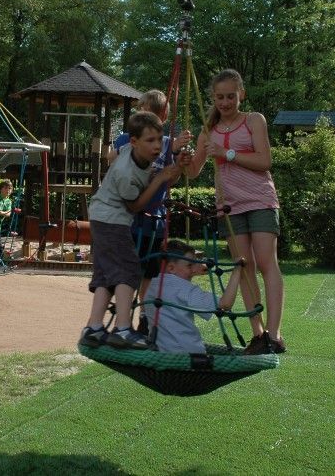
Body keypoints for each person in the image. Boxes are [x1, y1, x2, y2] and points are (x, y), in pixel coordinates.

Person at [187, 69, 286, 354]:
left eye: (231, 96)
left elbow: (265, 160)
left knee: (268, 264)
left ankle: (275, 333)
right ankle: (258, 333)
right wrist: (182, 158)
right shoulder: (208, 130)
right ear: (213, 97)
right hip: (229, 206)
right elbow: (194, 171)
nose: (226, 102)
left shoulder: (253, 120)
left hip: (260, 200)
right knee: (244, 268)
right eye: (220, 97)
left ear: (241, 94)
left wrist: (227, 153)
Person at [80, 111, 190, 350]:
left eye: (159, 140)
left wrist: (176, 168)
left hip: (104, 217)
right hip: (111, 220)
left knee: (106, 275)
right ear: (134, 142)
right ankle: (122, 329)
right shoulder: (124, 173)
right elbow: (137, 205)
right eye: (150, 141)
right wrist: (161, 177)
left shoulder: (135, 153)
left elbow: (161, 179)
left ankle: (94, 329)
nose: (157, 146)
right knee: (128, 269)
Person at [106, 90, 193, 332]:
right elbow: (115, 161)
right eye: (139, 112)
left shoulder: (166, 145)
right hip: (130, 217)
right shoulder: (127, 139)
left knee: (149, 272)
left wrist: (177, 161)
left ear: (161, 118)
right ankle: (123, 319)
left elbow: (170, 181)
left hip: (153, 220)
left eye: (147, 112)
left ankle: (144, 317)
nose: (141, 117)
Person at [143, 240, 218, 354]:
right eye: (190, 265)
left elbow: (179, 274)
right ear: (171, 268)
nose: (193, 269)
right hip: (188, 353)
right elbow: (224, 303)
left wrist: (194, 267)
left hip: (160, 350)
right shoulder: (185, 289)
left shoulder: (152, 287)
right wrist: (238, 272)